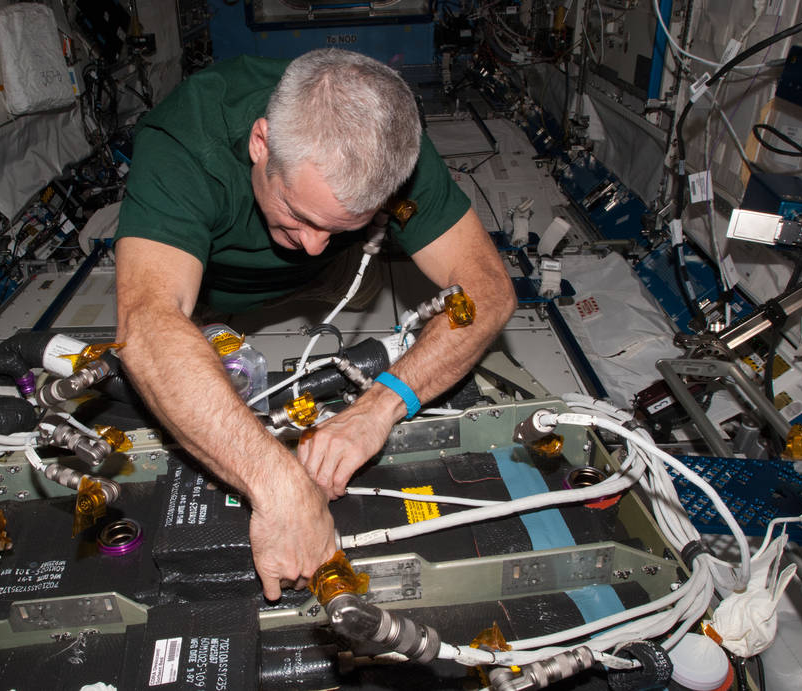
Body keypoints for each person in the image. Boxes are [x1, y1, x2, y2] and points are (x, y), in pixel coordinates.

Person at [114, 49, 515, 600]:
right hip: (212, 283)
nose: (310, 244)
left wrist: (381, 405)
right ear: (261, 144)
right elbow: (147, 323)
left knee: (346, 276)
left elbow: (488, 292)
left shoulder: (389, 149)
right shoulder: (186, 144)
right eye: (299, 215)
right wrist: (281, 489)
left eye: (339, 223)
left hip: (340, 277)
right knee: (185, 354)